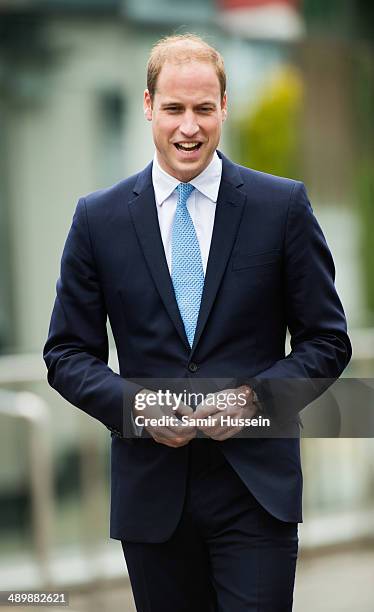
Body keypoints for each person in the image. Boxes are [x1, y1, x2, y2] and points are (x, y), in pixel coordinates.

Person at [44, 33, 352, 611]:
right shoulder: (98, 219)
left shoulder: (281, 207)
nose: (190, 127)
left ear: (224, 108)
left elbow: (327, 341)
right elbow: (65, 353)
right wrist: (137, 409)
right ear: (147, 107)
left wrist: (253, 399)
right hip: (152, 494)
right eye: (175, 109)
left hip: (255, 489)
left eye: (204, 109)